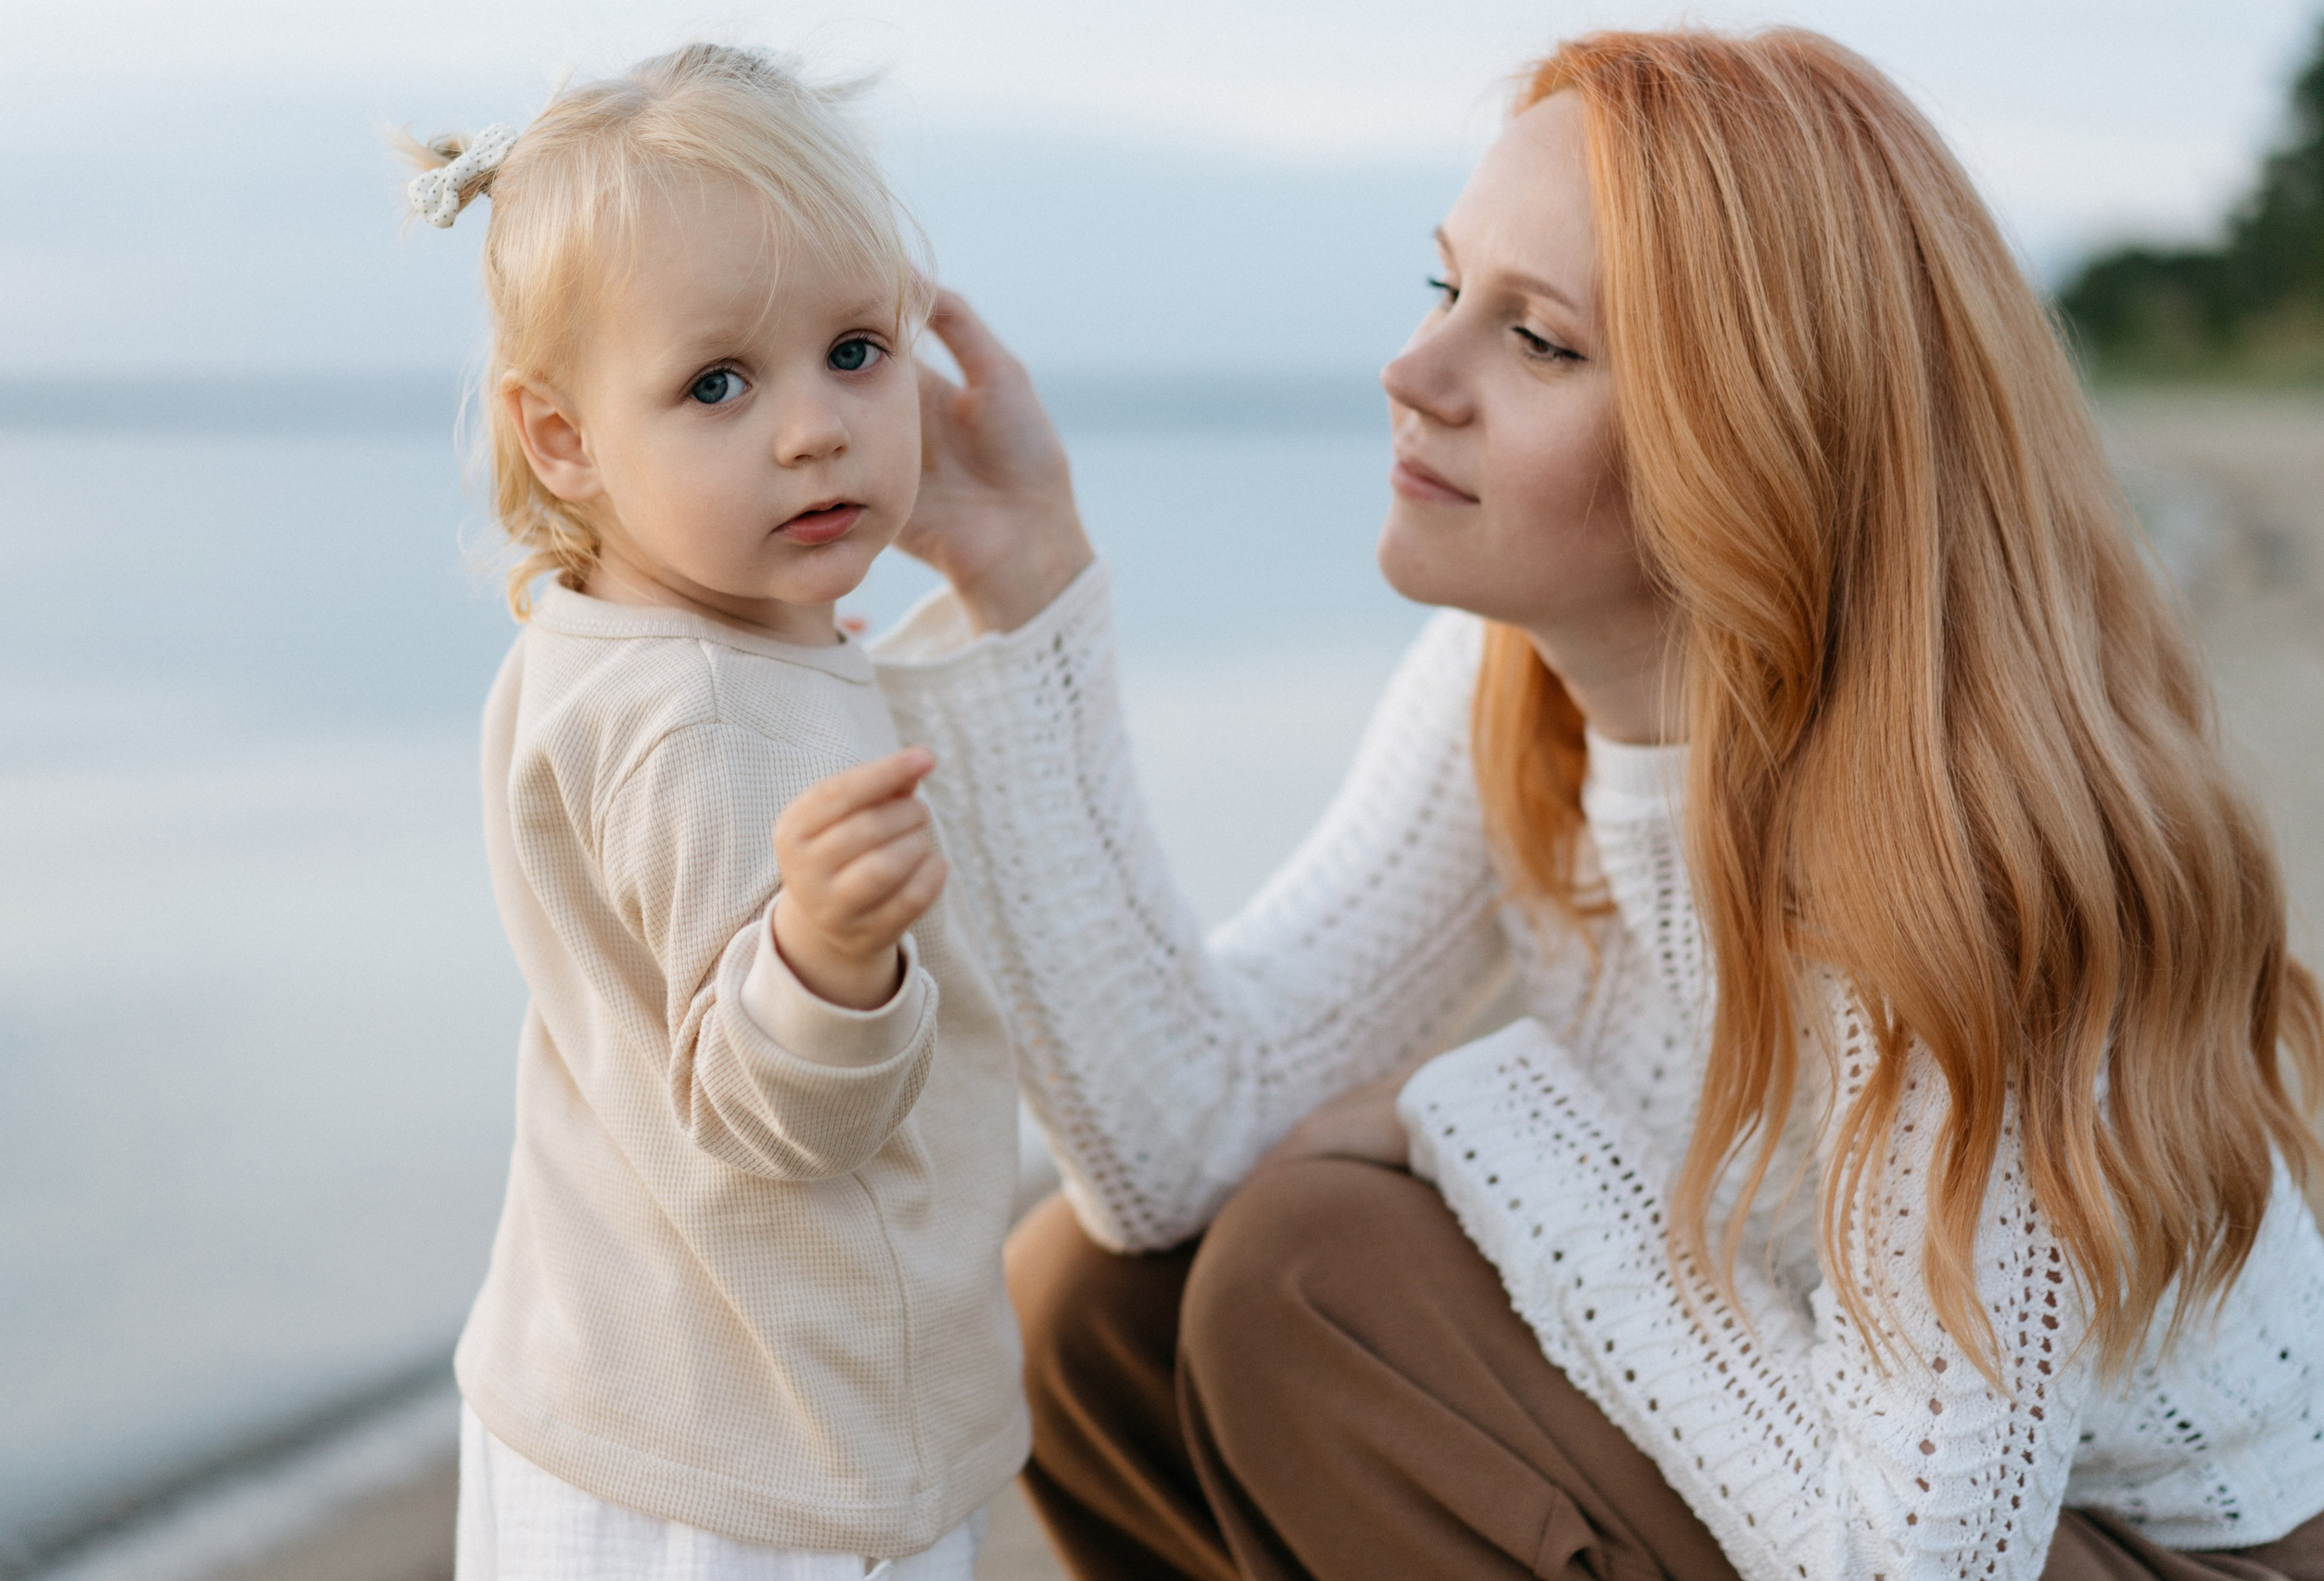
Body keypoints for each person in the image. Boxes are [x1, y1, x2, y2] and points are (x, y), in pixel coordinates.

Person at [875, 27, 2324, 1581]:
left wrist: (1482, 1116)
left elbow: (1913, 1564)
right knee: (1103, 1301)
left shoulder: (1952, 859)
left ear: (1752, 443)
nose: (1411, 373)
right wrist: (1019, 582)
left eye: (1539, 343)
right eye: (1445, 290)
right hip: (1853, 1484)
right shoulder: (1512, 690)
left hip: (2129, 1551)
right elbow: (1181, 1140)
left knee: (1308, 1275)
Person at [401, 45, 1029, 1580]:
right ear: (561, 437)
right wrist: (825, 956)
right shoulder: (709, 721)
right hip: (762, 1468)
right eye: (718, 383)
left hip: (617, 1388)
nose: (811, 428)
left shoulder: (626, 636)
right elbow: (766, 1111)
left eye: (857, 351)